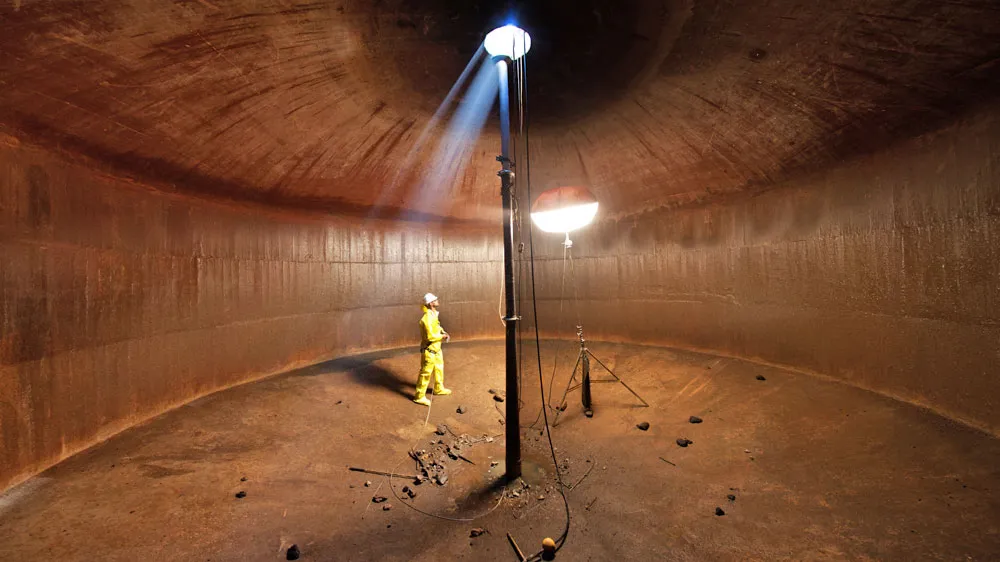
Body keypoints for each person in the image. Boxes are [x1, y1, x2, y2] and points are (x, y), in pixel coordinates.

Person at [413, 293, 451, 406]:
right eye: (435, 299)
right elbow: (430, 336)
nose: (437, 300)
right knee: (425, 373)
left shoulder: (434, 314)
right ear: (431, 303)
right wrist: (442, 337)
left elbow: (437, 326)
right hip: (429, 350)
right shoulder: (427, 318)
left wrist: (442, 331)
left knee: (439, 368)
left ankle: (438, 388)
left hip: (436, 348)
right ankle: (419, 396)